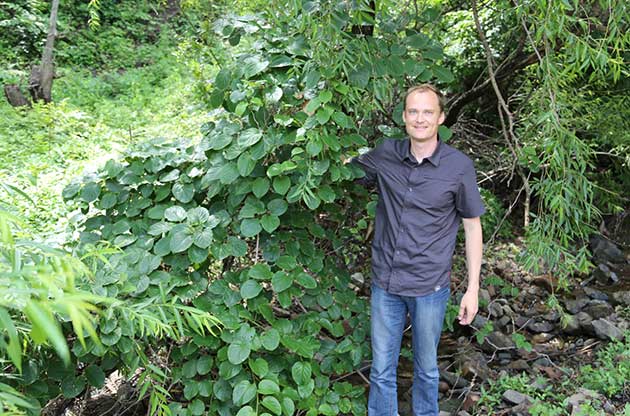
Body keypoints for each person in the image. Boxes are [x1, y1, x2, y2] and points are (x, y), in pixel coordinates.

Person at [350, 84, 484, 416]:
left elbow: (472, 228)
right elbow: (345, 169)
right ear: (404, 117)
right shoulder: (385, 156)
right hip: (386, 284)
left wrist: (472, 289)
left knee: (426, 370)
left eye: (427, 112)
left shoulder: (459, 167)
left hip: (429, 287)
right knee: (381, 371)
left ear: (440, 117)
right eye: (413, 111)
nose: (419, 119)